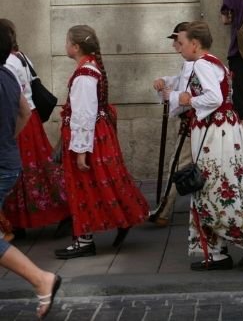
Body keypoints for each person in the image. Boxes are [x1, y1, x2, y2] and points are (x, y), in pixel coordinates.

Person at [172, 21, 243, 270]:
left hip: (215, 132)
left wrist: (188, 99)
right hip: (223, 129)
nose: (178, 48)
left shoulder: (202, 64)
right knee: (227, 184)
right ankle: (219, 250)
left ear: (194, 43)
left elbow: (213, 97)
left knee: (214, 186)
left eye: (181, 42)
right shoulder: (214, 62)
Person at [56, 25, 150, 259]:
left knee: (85, 184)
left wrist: (80, 150)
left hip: (90, 138)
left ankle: (85, 239)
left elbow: (84, 114)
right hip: (96, 135)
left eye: (67, 42)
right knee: (104, 181)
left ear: (76, 47)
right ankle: (118, 220)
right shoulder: (89, 69)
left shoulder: (85, 75)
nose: (65, 46)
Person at [0, 20, 62, 319]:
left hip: (8, 148)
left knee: (34, 179)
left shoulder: (9, 66)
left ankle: (40, 277)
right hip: (20, 138)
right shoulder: (15, 64)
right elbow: (24, 107)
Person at [0, 19, 69, 234]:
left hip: (19, 121)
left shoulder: (9, 62)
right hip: (30, 120)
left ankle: (63, 212)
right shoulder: (21, 57)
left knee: (26, 173)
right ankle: (21, 221)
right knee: (39, 171)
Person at [150, 22, 194, 227]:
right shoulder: (190, 63)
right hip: (192, 123)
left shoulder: (197, 63)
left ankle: (164, 212)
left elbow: (190, 93)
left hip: (193, 125)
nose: (175, 45)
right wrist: (165, 82)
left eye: (178, 41)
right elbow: (180, 81)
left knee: (177, 166)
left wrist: (173, 95)